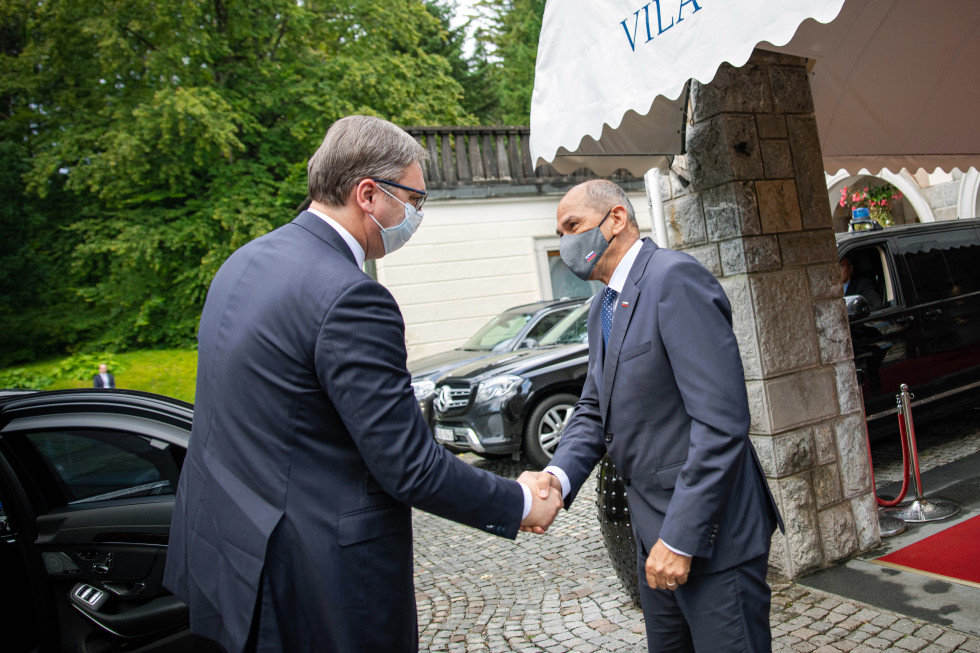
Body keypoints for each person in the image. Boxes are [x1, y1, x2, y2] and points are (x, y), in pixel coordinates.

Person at [163, 115, 561, 653]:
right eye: (414, 201)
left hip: (229, 555)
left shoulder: (242, 263)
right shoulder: (352, 297)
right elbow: (408, 465)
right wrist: (517, 499)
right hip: (316, 583)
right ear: (368, 194)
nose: (416, 217)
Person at [520, 180, 784, 652]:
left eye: (573, 226)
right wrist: (557, 478)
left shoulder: (674, 279)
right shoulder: (602, 305)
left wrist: (681, 538)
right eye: (559, 232)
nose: (564, 243)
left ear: (616, 219)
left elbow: (720, 422)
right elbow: (594, 406)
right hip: (652, 539)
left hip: (709, 538)